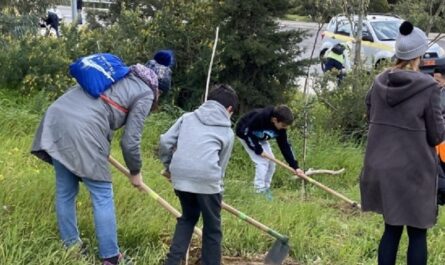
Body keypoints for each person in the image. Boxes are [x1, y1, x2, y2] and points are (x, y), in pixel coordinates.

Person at [31, 51, 174, 265]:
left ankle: (71, 248)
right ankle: (111, 258)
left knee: (65, 190)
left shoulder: (120, 73)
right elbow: (129, 141)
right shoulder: (146, 92)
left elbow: (101, 109)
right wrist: (135, 172)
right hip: (82, 129)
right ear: (159, 89)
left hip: (57, 117)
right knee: (102, 194)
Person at [360, 21, 445, 265]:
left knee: (391, 229)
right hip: (415, 171)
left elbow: (370, 114)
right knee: (417, 233)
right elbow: (437, 136)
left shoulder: (378, 82)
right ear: (419, 54)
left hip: (382, 168)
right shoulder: (429, 87)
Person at [159, 84, 239, 265]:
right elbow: (221, 166)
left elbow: (165, 142)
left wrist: (169, 167)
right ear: (229, 109)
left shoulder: (187, 118)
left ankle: (171, 262)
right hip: (208, 181)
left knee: (187, 218)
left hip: (181, 178)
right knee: (212, 228)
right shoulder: (227, 132)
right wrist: (218, 189)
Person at [235, 105, 304, 200]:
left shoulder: (281, 129)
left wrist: (295, 166)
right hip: (246, 134)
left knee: (272, 164)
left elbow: (285, 146)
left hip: (260, 137)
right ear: (275, 120)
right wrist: (258, 149)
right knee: (262, 162)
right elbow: (246, 132)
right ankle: (259, 191)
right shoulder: (260, 117)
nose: (284, 128)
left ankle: (266, 188)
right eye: (283, 125)